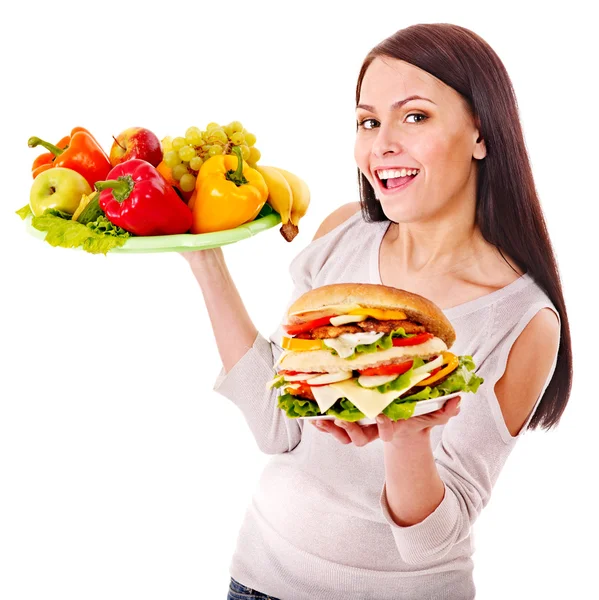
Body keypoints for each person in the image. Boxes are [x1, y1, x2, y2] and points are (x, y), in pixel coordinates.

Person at [181, 23, 572, 600]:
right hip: (259, 576)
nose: (381, 143)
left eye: (414, 116)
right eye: (368, 121)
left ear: (481, 133)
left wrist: (404, 435)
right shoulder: (342, 234)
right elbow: (277, 425)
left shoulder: (522, 320)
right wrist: (202, 255)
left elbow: (434, 541)